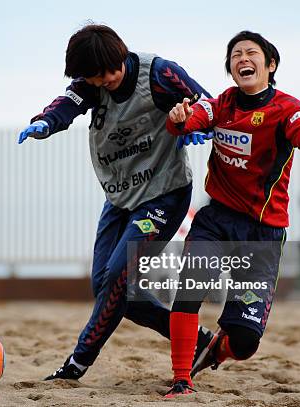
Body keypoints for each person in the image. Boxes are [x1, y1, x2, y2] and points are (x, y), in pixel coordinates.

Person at [18, 24, 211, 380]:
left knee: (117, 280)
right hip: (119, 198)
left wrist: (196, 124)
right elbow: (67, 104)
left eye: (109, 71)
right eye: (94, 76)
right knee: (110, 289)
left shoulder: (159, 73)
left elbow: (207, 103)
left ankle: (76, 363)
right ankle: (196, 339)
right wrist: (45, 122)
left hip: (163, 195)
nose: (105, 79)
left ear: (121, 55)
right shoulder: (91, 86)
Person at [164, 31, 300, 397]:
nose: (243, 58)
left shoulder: (287, 107)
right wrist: (179, 119)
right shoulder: (221, 104)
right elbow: (190, 120)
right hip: (217, 219)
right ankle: (181, 379)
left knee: (244, 343)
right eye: (236, 54)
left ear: (270, 65)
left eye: (251, 53)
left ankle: (218, 348)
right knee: (190, 288)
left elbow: (299, 128)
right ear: (231, 68)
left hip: (263, 233)